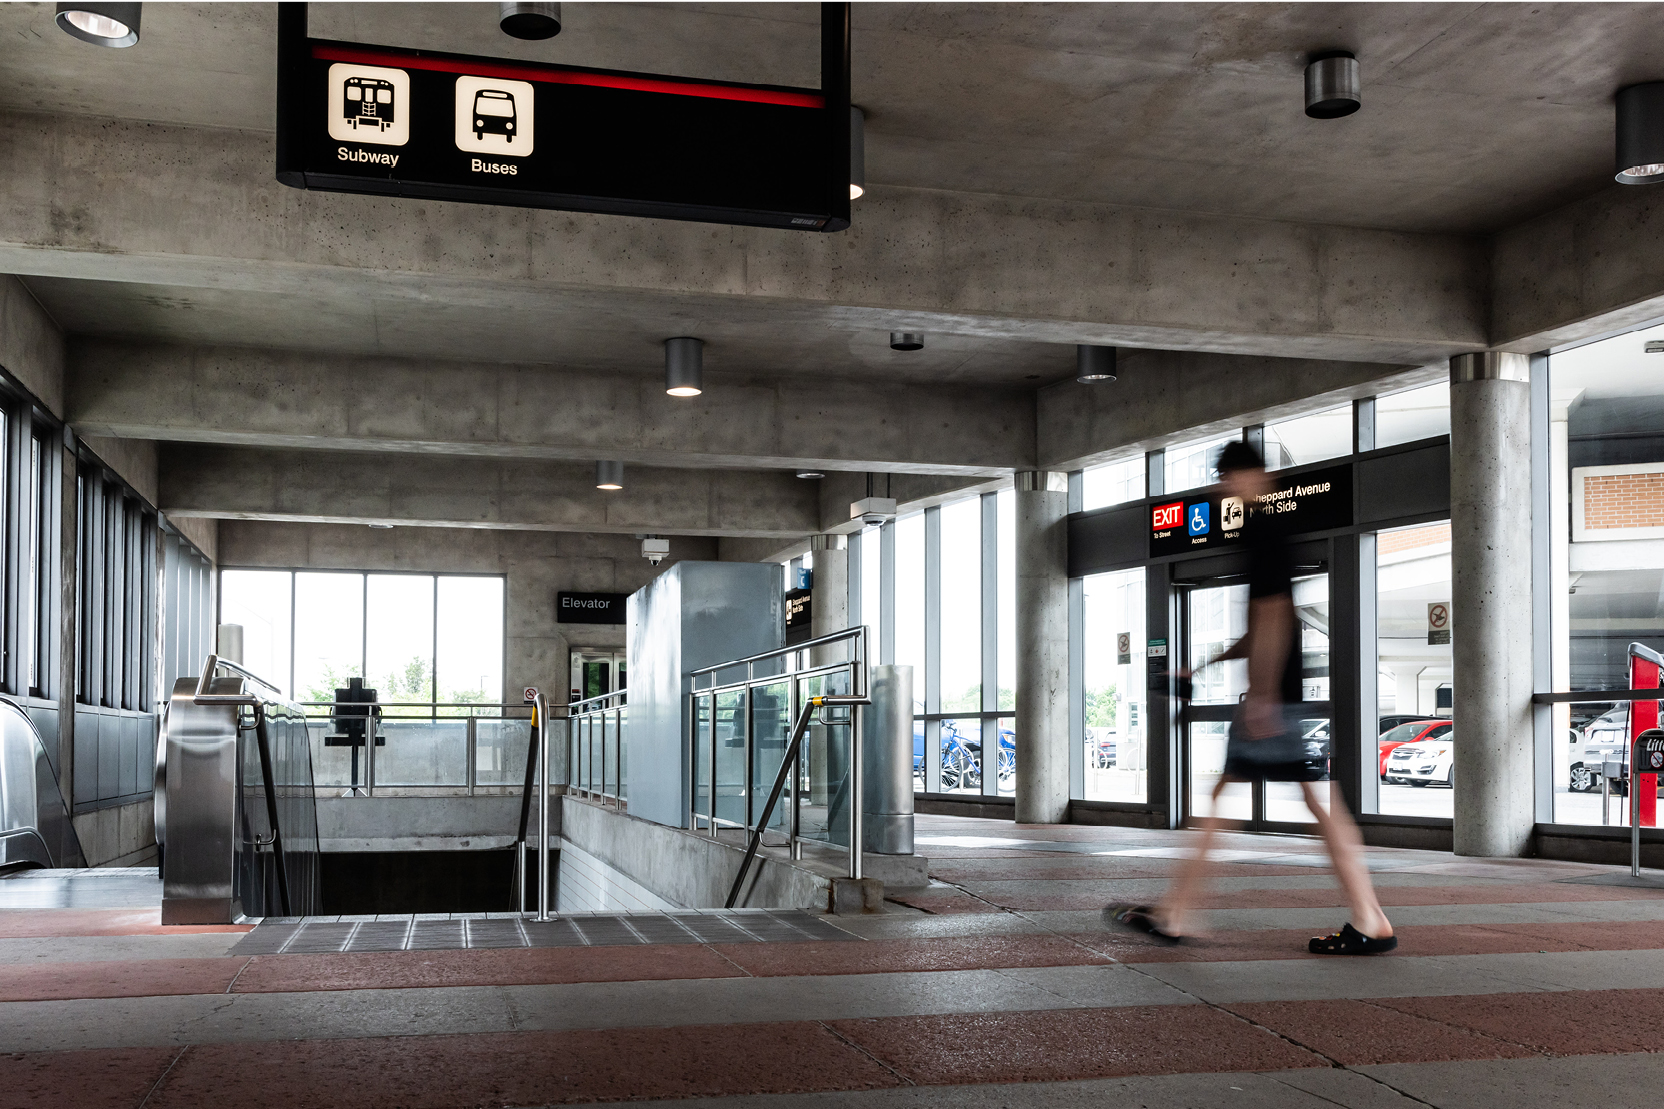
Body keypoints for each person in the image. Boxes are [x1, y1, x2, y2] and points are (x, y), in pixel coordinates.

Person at [1107, 440, 1396, 955]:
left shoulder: (1264, 531)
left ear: (1250, 477)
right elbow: (1260, 627)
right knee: (1314, 803)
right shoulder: (1269, 533)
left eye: (1226, 479)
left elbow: (1274, 619)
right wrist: (1204, 665)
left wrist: (1260, 696)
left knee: (1237, 803)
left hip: (1270, 701)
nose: (1222, 490)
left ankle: (1177, 914)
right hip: (1274, 698)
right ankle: (1370, 918)